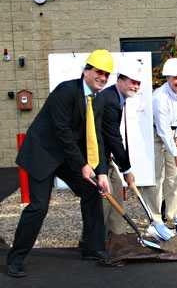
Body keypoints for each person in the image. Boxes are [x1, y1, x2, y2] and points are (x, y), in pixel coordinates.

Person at [6, 49, 114, 277]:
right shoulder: (65, 91)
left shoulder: (99, 100)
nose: (102, 78)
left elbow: (97, 138)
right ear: (86, 71)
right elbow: (62, 131)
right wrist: (83, 165)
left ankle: (92, 247)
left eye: (106, 74)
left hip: (66, 155)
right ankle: (15, 259)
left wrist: (101, 171)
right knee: (39, 207)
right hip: (42, 153)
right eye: (98, 72)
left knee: (92, 190)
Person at [141, 58, 177, 225]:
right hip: (156, 135)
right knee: (156, 178)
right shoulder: (159, 98)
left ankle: (174, 215)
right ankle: (155, 219)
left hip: (174, 133)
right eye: (175, 78)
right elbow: (162, 130)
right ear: (167, 78)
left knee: (174, 176)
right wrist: (176, 154)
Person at [99, 61, 142, 236]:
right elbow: (114, 138)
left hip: (106, 156)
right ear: (120, 80)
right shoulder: (110, 100)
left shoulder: (116, 97)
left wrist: (123, 168)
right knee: (104, 198)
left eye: (138, 83)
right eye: (132, 81)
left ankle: (116, 236)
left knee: (117, 190)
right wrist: (127, 169)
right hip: (96, 158)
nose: (136, 86)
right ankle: (94, 240)